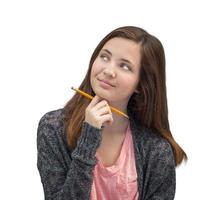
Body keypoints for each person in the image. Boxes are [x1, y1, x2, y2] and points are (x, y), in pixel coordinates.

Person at [37, 26, 187, 200]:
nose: (108, 71)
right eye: (104, 57)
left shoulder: (157, 150)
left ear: (141, 83)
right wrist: (89, 137)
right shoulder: (53, 128)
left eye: (124, 66)